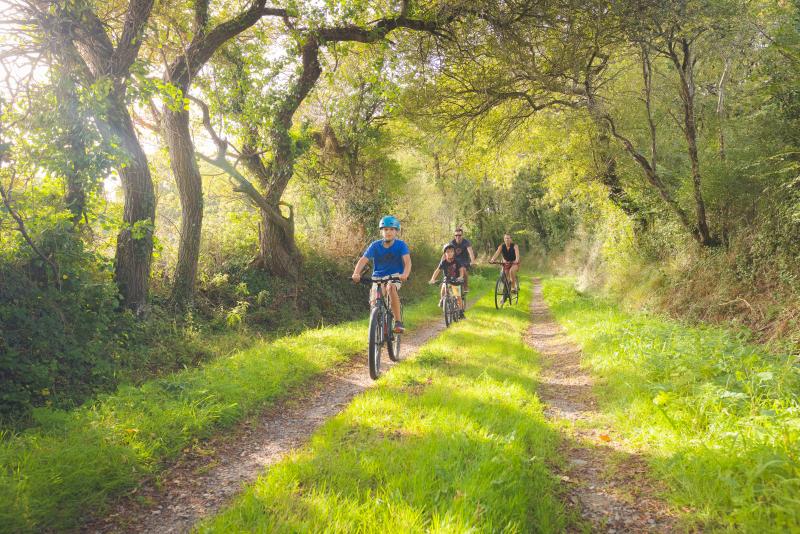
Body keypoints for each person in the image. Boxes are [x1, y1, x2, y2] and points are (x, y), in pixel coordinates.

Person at [352, 215, 411, 333]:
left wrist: (405, 273)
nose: (388, 232)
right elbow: (363, 260)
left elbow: (407, 262)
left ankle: (398, 322)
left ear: (396, 231)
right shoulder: (375, 245)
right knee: (375, 299)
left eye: (391, 229)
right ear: (381, 232)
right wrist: (356, 273)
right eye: (385, 229)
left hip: (394, 276)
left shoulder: (401, 245)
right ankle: (378, 325)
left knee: (391, 287)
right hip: (378, 278)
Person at [429, 243, 466, 313]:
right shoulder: (443, 262)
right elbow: (437, 270)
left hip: (455, 280)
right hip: (447, 279)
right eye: (447, 252)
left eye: (451, 251)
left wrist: (461, 277)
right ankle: (442, 300)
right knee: (443, 288)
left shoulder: (456, 261)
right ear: (445, 253)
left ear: (454, 252)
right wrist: (433, 278)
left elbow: (461, 270)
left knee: (458, 296)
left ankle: (461, 311)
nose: (449, 253)